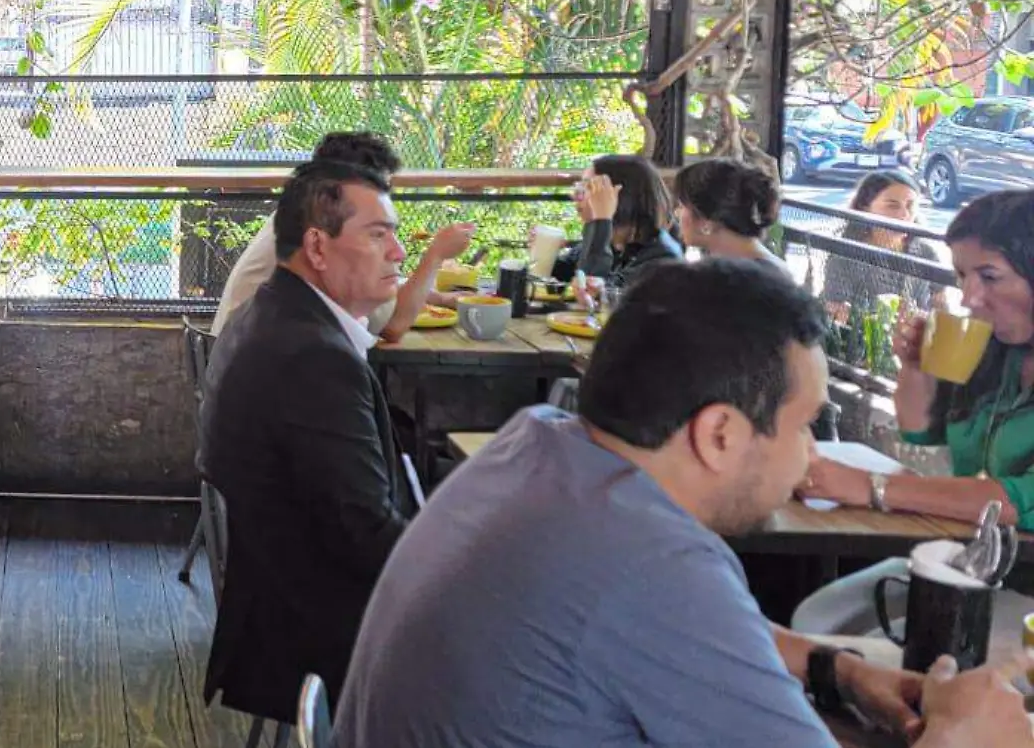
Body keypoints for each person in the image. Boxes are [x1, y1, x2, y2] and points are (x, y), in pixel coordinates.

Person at [334, 260, 1030, 748]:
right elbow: (666, 609)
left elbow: (698, 634)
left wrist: (838, 668)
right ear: (720, 432)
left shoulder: (536, 446)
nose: (809, 457)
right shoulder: (649, 562)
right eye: (803, 426)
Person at [200, 158, 412, 724]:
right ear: (318, 248)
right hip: (319, 630)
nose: (398, 253)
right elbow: (366, 536)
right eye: (378, 235)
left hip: (276, 600)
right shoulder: (313, 358)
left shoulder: (275, 313)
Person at [805, 189, 1034, 525]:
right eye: (962, 276)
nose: (969, 298)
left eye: (989, 277)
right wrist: (915, 366)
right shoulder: (998, 350)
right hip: (970, 554)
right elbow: (920, 429)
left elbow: (1019, 501)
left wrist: (871, 487)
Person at [211, 132, 474, 340]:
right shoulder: (325, 232)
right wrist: (436, 254)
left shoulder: (302, 214)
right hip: (267, 386)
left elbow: (371, 284)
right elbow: (394, 326)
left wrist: (437, 297)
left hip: (238, 369)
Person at [823, 169, 945, 318]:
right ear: (865, 207)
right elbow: (836, 312)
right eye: (892, 206)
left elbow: (941, 308)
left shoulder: (926, 253)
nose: (904, 214)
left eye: (910, 206)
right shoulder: (847, 255)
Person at [552, 153, 682, 286]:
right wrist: (545, 252)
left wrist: (601, 220)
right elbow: (563, 273)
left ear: (620, 196)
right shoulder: (612, 241)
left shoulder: (661, 257)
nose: (576, 195)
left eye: (588, 187)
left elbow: (592, 291)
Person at [673, 156, 786, 271]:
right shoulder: (758, 269)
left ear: (706, 223)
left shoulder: (745, 280)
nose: (676, 213)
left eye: (682, 206)